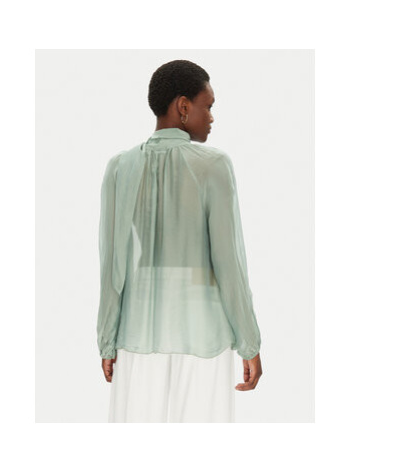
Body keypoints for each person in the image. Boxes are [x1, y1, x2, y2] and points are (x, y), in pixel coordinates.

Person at [96, 59, 262, 423]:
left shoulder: (120, 167)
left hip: (138, 328)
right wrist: (249, 342)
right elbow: (229, 263)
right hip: (202, 329)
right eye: (208, 106)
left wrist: (107, 339)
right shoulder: (214, 165)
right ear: (183, 106)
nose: (212, 117)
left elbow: (111, 266)